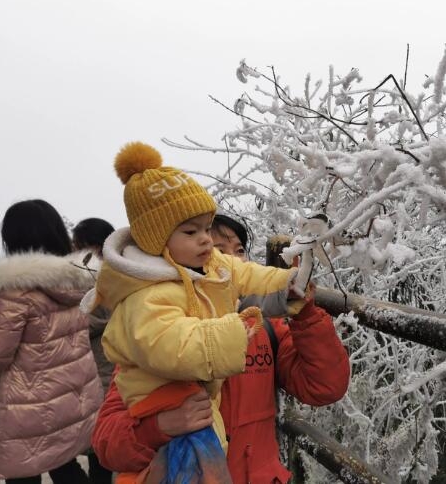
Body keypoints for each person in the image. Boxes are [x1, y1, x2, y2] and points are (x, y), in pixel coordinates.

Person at [81, 142, 302, 483]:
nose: (205, 241)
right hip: (157, 396)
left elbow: (246, 273)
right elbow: (169, 344)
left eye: (206, 227)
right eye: (190, 232)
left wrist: (289, 282)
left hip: (194, 395)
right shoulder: (146, 294)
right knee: (188, 468)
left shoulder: (206, 266)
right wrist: (229, 333)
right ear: (156, 239)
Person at [92, 213, 351, 483]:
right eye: (218, 252)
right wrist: (156, 428)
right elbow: (106, 442)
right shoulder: (158, 338)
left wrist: (305, 314)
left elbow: (325, 386)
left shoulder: (265, 329)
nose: (234, 261)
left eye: (240, 251)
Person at [0, 199, 104, 483]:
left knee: (23, 473)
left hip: (25, 407)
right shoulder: (77, 281)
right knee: (65, 465)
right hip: (70, 399)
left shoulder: (13, 293)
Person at [72, 217, 116, 484]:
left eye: (81, 247)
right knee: (98, 443)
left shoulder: (100, 279)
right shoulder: (119, 273)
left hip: (102, 368)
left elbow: (87, 322)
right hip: (100, 368)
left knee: (98, 444)